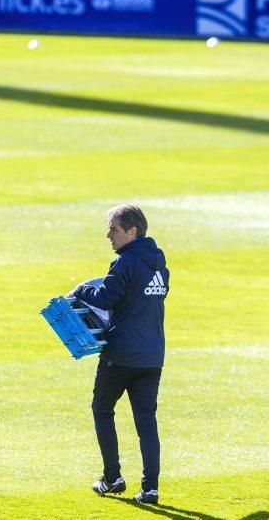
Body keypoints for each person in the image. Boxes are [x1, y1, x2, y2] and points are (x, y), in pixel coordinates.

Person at [72, 205, 169, 505]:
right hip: (152, 356)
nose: (108, 235)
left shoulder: (125, 263)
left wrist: (80, 290)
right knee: (146, 421)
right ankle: (150, 488)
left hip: (121, 355)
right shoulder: (160, 264)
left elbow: (105, 297)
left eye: (113, 229)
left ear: (132, 232)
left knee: (102, 409)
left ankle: (112, 477)